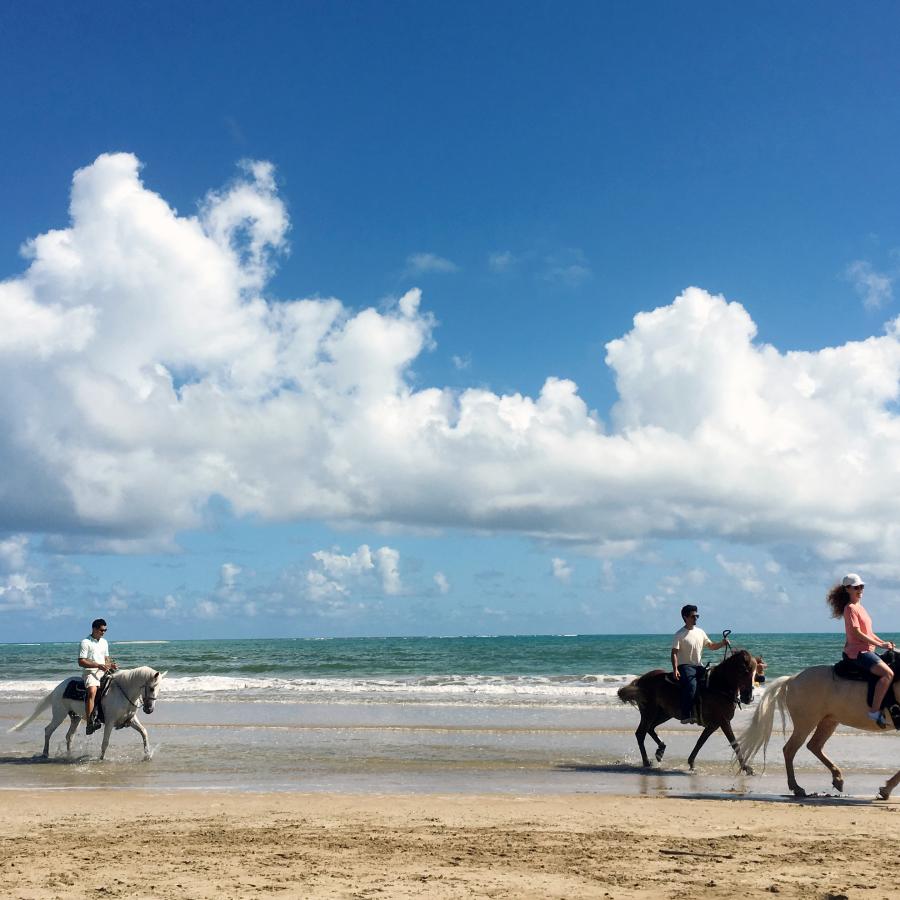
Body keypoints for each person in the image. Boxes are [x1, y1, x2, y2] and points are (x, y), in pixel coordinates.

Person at [827, 573, 896, 728]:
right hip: (858, 653)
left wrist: (883, 643)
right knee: (887, 674)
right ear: (847, 590)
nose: (860, 589)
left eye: (861, 586)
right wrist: (880, 646)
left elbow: (869, 633)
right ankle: (874, 711)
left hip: (868, 650)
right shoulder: (850, 608)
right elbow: (858, 633)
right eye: (856, 587)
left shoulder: (860, 608)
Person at [671, 604, 730, 724]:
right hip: (685, 666)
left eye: (697, 616)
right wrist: (675, 668)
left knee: (712, 682)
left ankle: (706, 711)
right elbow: (674, 653)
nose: (696, 618)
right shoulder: (680, 634)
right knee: (692, 686)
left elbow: (711, 646)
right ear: (685, 617)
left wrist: (722, 643)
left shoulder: (700, 632)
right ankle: (686, 714)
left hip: (699, 666)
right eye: (693, 616)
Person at [78, 619, 117, 734]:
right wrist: (98, 665)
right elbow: (81, 662)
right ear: (94, 629)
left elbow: (106, 659)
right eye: (101, 630)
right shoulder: (85, 642)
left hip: (104, 671)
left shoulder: (104, 642)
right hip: (90, 672)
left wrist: (111, 665)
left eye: (105, 630)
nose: (104, 632)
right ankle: (90, 723)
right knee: (92, 691)